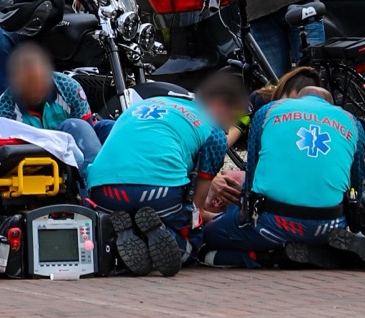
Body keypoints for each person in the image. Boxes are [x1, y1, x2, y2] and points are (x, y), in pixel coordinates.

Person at [193, 86, 365, 271]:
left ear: (298, 98)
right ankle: (334, 247)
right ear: (329, 104)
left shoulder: (268, 111)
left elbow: (253, 172)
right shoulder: (352, 122)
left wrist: (244, 210)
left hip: (274, 222)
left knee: (202, 241)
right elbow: (356, 184)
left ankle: (273, 257)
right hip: (330, 223)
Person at [82, 70, 248, 277]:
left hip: (103, 190)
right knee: (193, 235)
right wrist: (223, 220)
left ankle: (119, 240)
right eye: (233, 117)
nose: (228, 129)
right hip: (158, 192)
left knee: (125, 216)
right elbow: (198, 208)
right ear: (220, 104)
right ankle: (167, 240)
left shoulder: (144, 104)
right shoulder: (214, 133)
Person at [0, 41, 107, 166]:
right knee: (75, 125)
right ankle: (95, 175)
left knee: (111, 127)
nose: (35, 88)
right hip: (37, 159)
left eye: (39, 80)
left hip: (78, 149)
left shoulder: (69, 88)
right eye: (29, 82)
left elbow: (88, 131)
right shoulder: (3, 112)